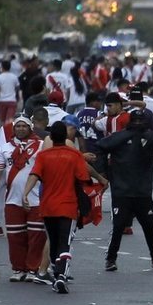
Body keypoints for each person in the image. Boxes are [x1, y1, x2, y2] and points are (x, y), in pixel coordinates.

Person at [88, 111, 153, 272]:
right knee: (118, 227)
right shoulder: (120, 137)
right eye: (135, 120)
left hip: (142, 192)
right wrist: (103, 171)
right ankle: (111, 258)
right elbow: (99, 148)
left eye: (140, 121)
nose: (137, 124)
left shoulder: (150, 138)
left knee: (149, 226)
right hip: (122, 191)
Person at [22, 122, 99, 294]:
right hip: (68, 205)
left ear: (50, 137)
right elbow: (83, 177)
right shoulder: (74, 155)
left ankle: (57, 274)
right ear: (66, 137)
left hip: (48, 206)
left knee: (54, 241)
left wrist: (25, 194)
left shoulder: (43, 156)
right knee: (65, 241)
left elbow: (34, 175)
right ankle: (61, 275)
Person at [0, 115, 46, 281]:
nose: (20, 129)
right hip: (12, 200)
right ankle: (18, 269)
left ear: (30, 128)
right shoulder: (4, 148)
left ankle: (33, 269)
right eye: (17, 126)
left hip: (36, 199)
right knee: (15, 236)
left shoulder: (41, 145)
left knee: (36, 236)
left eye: (23, 126)